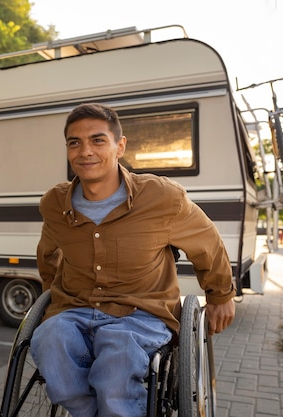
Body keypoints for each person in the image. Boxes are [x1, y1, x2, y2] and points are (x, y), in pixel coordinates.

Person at [30, 103, 236, 417]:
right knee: (47, 338)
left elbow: (206, 244)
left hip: (142, 312)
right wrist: (53, 295)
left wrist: (220, 295)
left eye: (98, 140)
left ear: (120, 146)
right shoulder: (55, 204)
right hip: (76, 309)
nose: (85, 151)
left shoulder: (161, 198)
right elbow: (47, 254)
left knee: (119, 357)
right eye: (75, 142)